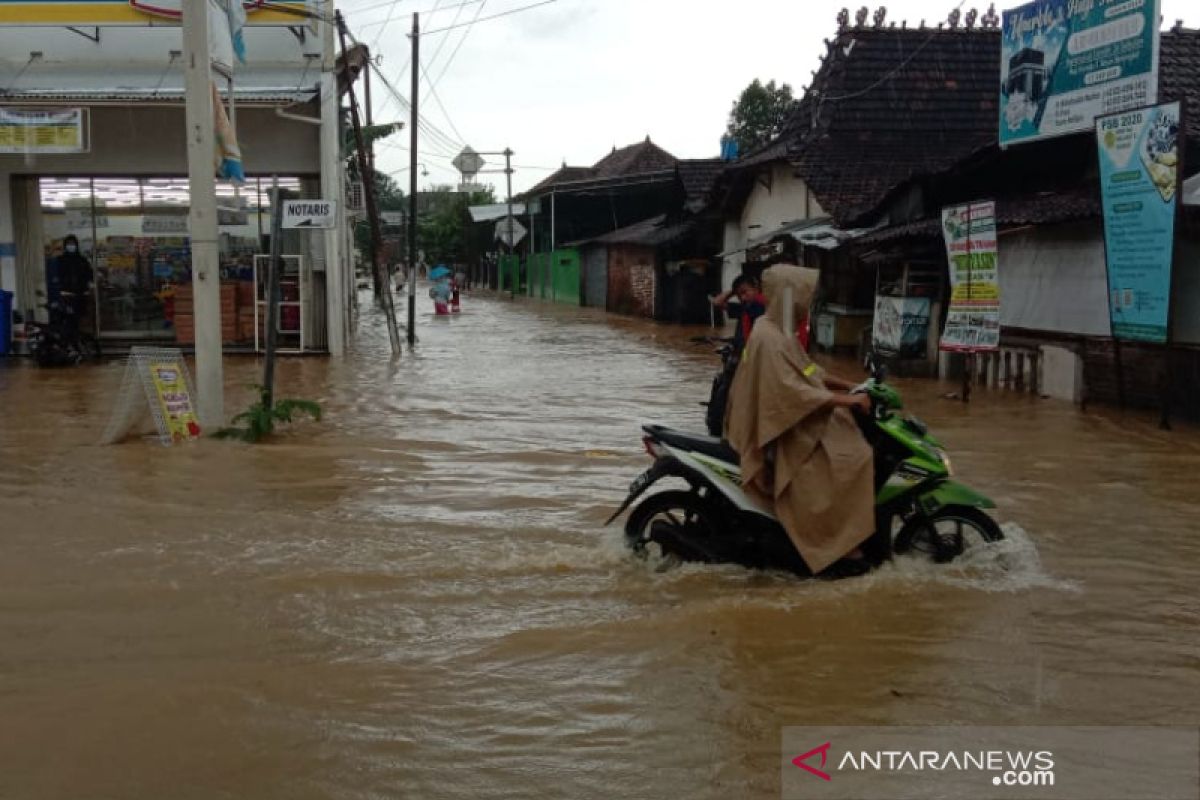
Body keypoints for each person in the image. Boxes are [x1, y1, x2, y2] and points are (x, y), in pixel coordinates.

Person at [723, 264, 875, 577]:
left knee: (847, 434)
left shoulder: (779, 331)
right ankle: (837, 544)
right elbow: (791, 394)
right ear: (789, 299)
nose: (808, 305)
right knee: (852, 459)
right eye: (804, 298)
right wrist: (848, 400)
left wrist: (849, 386)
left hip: (784, 420)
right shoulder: (770, 338)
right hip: (775, 431)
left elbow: (808, 372)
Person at [54, 235, 93, 332]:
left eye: (73, 244)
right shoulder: (60, 260)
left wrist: (88, 288)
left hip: (80, 294)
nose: (71, 246)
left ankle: (78, 338)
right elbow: (56, 276)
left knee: (79, 318)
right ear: (65, 246)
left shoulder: (82, 260)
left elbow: (89, 274)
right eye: (69, 244)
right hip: (66, 295)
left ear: (76, 245)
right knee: (67, 319)